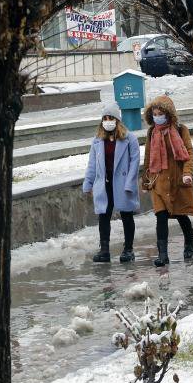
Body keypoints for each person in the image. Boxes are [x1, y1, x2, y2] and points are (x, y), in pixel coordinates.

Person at [141, 95, 193, 266]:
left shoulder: (181, 130)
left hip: (177, 180)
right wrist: (145, 180)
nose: (157, 117)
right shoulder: (152, 132)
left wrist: (187, 173)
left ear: (169, 113)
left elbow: (189, 153)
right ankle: (163, 255)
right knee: (161, 216)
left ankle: (189, 243)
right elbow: (148, 157)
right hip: (158, 180)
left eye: (161, 113)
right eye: (155, 113)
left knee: (181, 215)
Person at [83, 103, 140, 263]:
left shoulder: (129, 138)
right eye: (105, 118)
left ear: (117, 120)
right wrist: (88, 183)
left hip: (122, 183)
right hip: (104, 183)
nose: (108, 121)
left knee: (126, 215)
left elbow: (135, 163)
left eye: (111, 118)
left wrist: (130, 184)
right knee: (103, 215)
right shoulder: (97, 140)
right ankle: (105, 250)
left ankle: (128, 249)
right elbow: (92, 164)